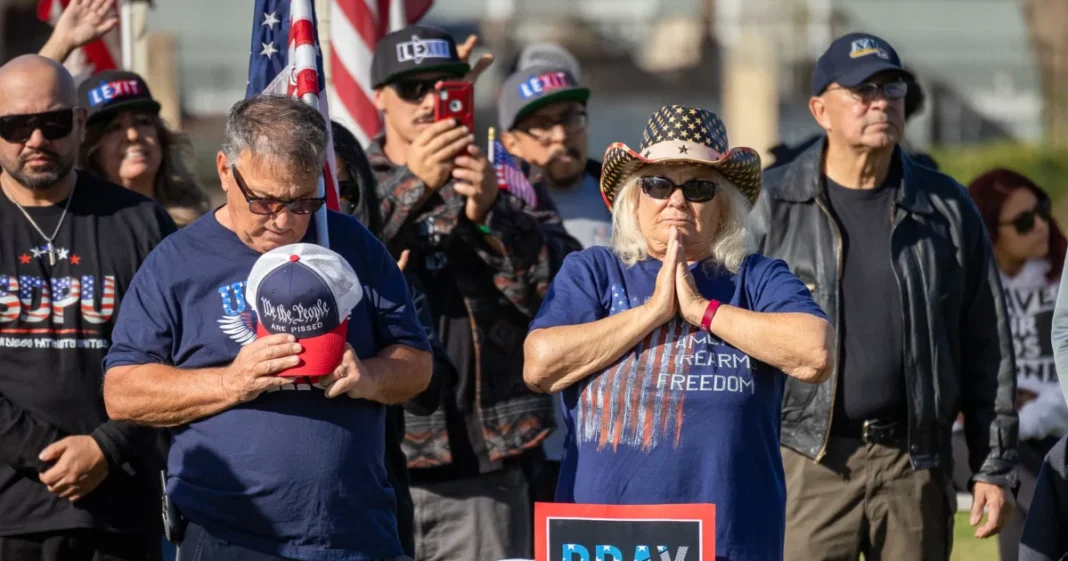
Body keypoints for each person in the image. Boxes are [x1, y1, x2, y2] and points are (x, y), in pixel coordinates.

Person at [100, 95, 433, 561]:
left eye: (302, 201)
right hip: (229, 537)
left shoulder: (351, 244)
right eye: (264, 201)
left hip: (355, 534)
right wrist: (230, 382)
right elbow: (122, 393)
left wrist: (372, 377)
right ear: (223, 170)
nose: (283, 220)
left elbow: (417, 364)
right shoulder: (176, 263)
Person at [747, 32, 1018, 560]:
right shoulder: (771, 202)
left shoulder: (946, 207)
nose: (880, 101)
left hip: (913, 464)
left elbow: (988, 346)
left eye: (891, 85)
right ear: (820, 109)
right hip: (804, 460)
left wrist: (994, 465)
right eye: (861, 89)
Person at [524, 104, 833, 561]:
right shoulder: (593, 270)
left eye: (699, 187)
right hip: (603, 544)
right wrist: (651, 313)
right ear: (634, 197)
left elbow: (815, 351)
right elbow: (539, 364)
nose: (676, 200)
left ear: (723, 203)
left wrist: (702, 310)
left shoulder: (756, 277)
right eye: (657, 183)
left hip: (728, 545)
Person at [367, 24, 582, 561]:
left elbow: (557, 293)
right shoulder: (354, 181)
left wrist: (491, 210)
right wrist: (413, 182)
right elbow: (337, 270)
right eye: (411, 89)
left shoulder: (504, 176)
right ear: (379, 99)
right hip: (381, 462)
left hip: (488, 467)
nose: (427, 102)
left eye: (442, 87)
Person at [0, 55, 176, 561]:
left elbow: (177, 355)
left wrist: (106, 446)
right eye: (15, 125)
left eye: (53, 122)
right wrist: (46, 455)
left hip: (121, 510)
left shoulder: (141, 222)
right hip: (10, 514)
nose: (36, 139)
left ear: (79, 124)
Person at [332, 119, 454, 559]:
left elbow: (430, 392)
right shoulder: (250, 280)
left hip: (374, 509)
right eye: (319, 190)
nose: (333, 205)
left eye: (345, 191)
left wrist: (388, 323)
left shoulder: (386, 275)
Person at [967, 169, 1068, 561]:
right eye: (1024, 222)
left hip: (1048, 429)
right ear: (990, 229)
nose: (1041, 225)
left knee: (1034, 471)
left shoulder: (1062, 278)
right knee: (1023, 475)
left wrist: (1025, 417)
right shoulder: (972, 288)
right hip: (982, 437)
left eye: (1042, 210)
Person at [76, 70, 209, 227]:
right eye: (114, 127)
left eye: (142, 122)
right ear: (91, 149)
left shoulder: (199, 221)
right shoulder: (81, 226)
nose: (133, 135)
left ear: (161, 137)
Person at [498, 63, 610, 248]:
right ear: (511, 143)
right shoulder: (498, 211)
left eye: (570, 118)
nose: (561, 136)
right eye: (542, 125)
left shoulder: (629, 195)